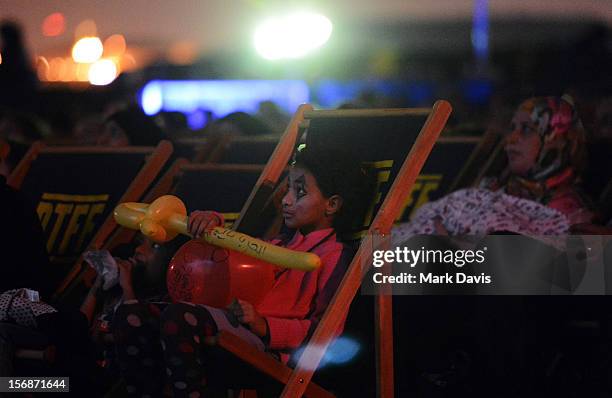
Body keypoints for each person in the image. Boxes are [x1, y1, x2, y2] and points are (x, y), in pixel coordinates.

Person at [110, 146, 370, 397]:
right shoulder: (280, 242)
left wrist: (264, 325)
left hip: (271, 350)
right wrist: (210, 224)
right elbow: (238, 255)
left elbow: (326, 333)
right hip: (228, 323)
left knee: (180, 317)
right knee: (132, 315)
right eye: (288, 188)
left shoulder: (334, 256)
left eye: (299, 191)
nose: (287, 200)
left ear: (332, 204)